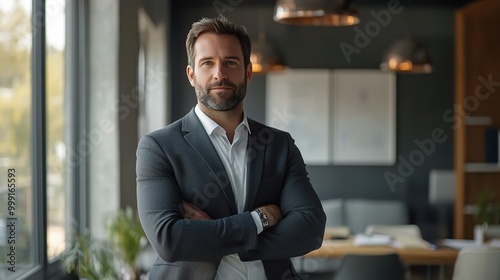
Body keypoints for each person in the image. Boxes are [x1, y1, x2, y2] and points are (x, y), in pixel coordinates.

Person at [136, 15, 326, 280]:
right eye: (207, 63)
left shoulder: (279, 144)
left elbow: (311, 228)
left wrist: (215, 237)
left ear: (247, 72)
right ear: (192, 75)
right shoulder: (158, 147)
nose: (219, 74)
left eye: (230, 62)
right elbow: (169, 240)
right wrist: (258, 220)